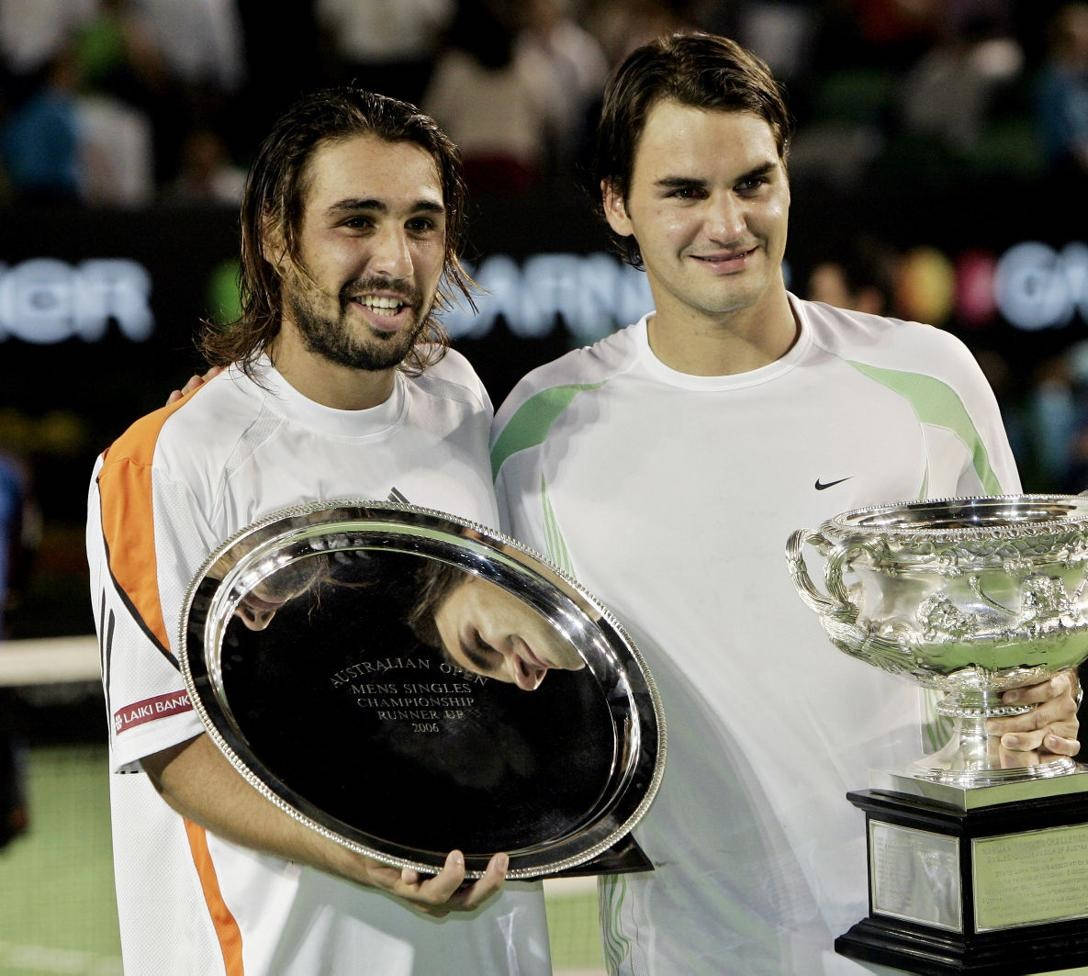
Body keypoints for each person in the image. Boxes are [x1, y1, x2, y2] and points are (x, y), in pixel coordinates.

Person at [491, 33, 1081, 975]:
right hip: (681, 954)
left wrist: (1043, 690)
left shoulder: (926, 379)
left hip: (922, 941)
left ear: (788, 179)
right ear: (616, 204)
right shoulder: (537, 434)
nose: (728, 224)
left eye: (753, 183)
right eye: (684, 192)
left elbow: (1022, 643)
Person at [85, 88, 551, 975]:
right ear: (274, 233)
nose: (396, 260)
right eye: (356, 221)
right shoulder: (166, 459)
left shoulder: (458, 399)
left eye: (422, 224)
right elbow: (171, 747)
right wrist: (366, 855)